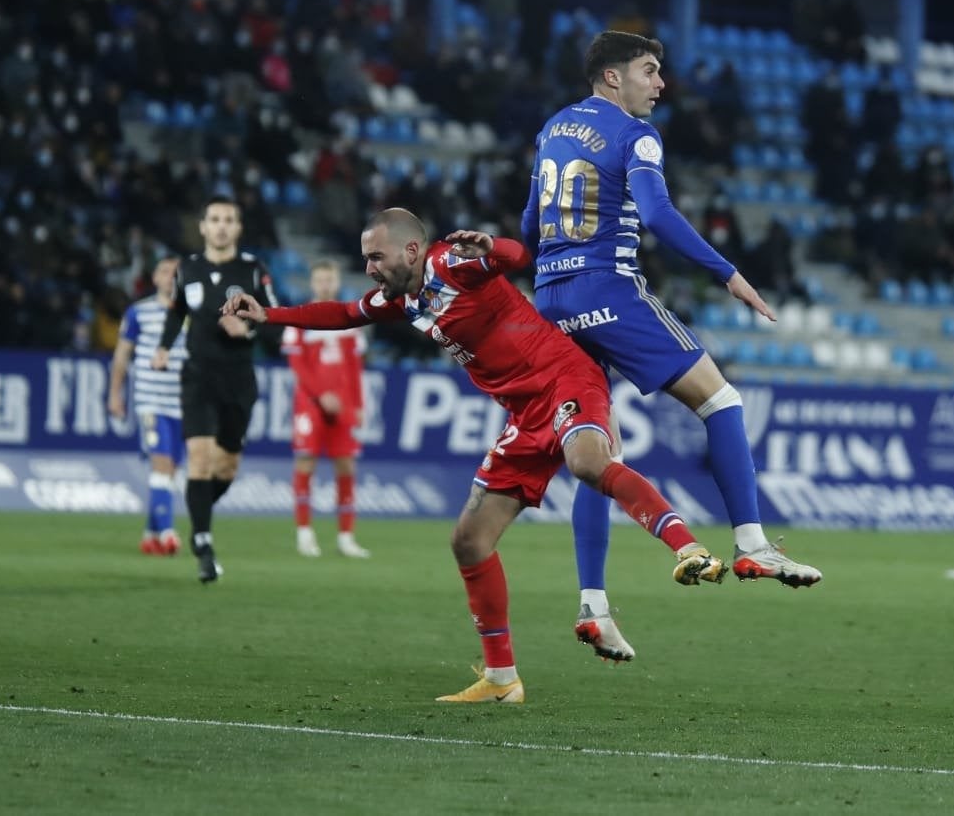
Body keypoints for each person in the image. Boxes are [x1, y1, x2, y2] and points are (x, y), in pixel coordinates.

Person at [224, 209, 728, 700]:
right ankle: (502, 678)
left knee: (588, 463)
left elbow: (515, 254)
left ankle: (687, 547)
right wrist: (269, 314)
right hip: (523, 414)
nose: (369, 268)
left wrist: (491, 245)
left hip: (563, 380)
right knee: (469, 540)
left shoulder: (451, 264)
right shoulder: (401, 299)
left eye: (376, 257)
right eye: (366, 259)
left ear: (412, 249)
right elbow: (342, 313)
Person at [520, 31, 822, 656]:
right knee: (722, 402)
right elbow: (656, 216)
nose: (659, 85)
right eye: (649, 71)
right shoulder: (635, 135)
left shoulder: (552, 129)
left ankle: (594, 608)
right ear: (612, 78)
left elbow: (529, 229)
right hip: (609, 289)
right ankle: (752, 545)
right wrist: (729, 274)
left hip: (550, 300)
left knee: (596, 458)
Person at [152, 197, 279, 584]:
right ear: (203, 227)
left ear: (238, 228)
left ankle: (199, 515)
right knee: (200, 458)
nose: (222, 226)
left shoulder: (254, 271)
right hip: (198, 377)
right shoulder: (186, 268)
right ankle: (204, 545)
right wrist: (164, 345)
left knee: (226, 467)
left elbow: (275, 320)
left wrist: (250, 330)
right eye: (215, 220)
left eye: (229, 220)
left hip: (239, 381)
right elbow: (177, 312)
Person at [282, 259, 370, 559]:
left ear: (336, 282)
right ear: (312, 283)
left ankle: (346, 537)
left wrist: (357, 404)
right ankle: (304, 534)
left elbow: (355, 369)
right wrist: (320, 397)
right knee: (306, 463)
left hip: (343, 405)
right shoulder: (299, 320)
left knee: (346, 466)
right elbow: (298, 368)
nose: (324, 285)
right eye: (319, 280)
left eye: (329, 279)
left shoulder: (350, 321)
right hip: (310, 406)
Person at [107, 256, 186, 556]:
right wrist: (115, 395)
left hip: (182, 405)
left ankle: (150, 533)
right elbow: (121, 356)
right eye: (164, 271)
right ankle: (167, 532)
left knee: (170, 470)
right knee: (161, 463)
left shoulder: (190, 314)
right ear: (154, 278)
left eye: (176, 273)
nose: (170, 277)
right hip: (150, 402)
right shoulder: (139, 313)